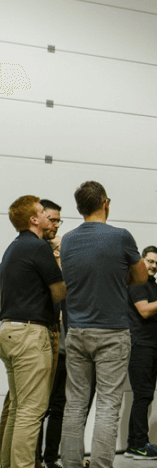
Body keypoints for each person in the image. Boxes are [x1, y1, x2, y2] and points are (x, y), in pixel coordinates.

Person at [60, 181, 148, 468]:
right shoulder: (121, 237)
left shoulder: (68, 240)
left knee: (74, 404)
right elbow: (142, 277)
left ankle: (71, 464)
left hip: (76, 332)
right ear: (106, 203)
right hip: (111, 332)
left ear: (78, 208)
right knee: (108, 406)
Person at [0, 196, 66, 468]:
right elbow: (59, 291)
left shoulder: (13, 248)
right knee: (31, 412)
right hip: (30, 334)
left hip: (8, 330)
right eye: (43, 212)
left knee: (17, 409)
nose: (50, 218)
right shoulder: (38, 248)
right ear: (33, 219)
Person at [125, 246, 157, 460]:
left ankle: (132, 444)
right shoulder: (138, 282)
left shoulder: (150, 284)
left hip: (150, 346)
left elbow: (156, 309)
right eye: (150, 261)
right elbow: (144, 311)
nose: (153, 265)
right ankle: (139, 445)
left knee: (143, 397)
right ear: (142, 261)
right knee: (143, 396)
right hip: (139, 346)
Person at [37, 199, 66, 468]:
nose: (56, 226)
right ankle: (33, 459)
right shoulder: (37, 260)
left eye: (59, 221)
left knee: (59, 406)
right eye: (52, 220)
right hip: (42, 343)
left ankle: (51, 458)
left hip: (65, 346)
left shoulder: (64, 269)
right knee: (37, 407)